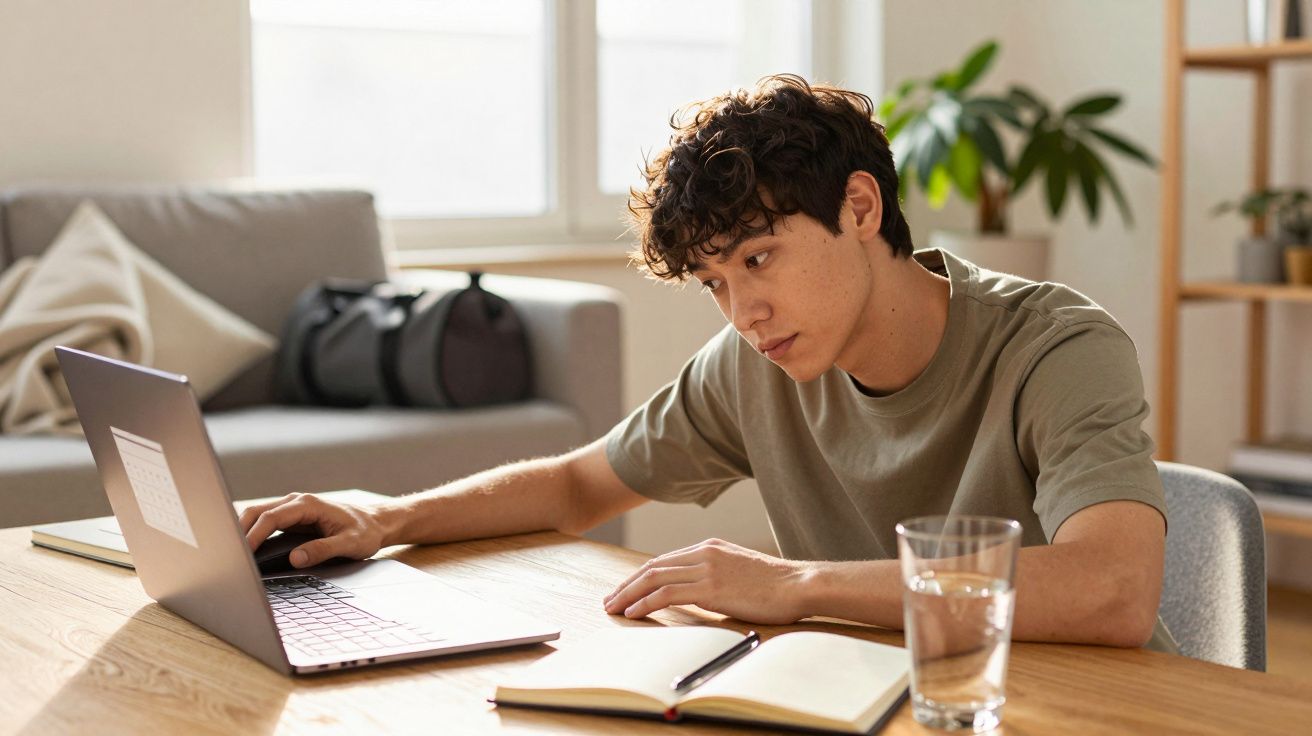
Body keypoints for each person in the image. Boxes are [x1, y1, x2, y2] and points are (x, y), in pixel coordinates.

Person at [242, 75, 1176, 652]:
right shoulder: (754, 361)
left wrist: (798, 585)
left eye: (759, 259)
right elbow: (575, 487)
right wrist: (387, 514)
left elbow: (1115, 591)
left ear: (860, 208)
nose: (744, 312)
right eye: (715, 282)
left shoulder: (1057, 345)